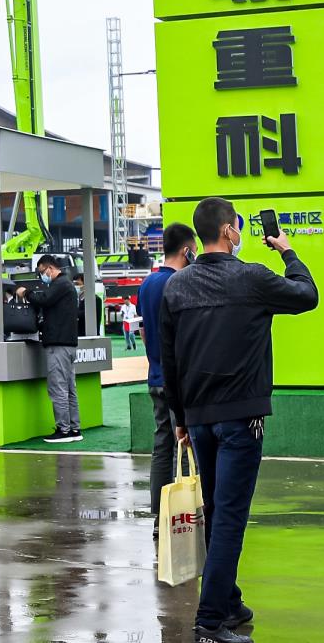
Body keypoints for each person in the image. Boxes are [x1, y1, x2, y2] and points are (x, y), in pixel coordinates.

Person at [161, 197, 317, 643]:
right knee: (229, 515)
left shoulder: (177, 286)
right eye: (238, 227)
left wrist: (179, 417)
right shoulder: (252, 276)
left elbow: (169, 359)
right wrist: (287, 251)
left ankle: (227, 601)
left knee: (216, 510)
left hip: (199, 417)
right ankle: (210, 621)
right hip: (241, 416)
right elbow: (307, 295)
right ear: (229, 231)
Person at [142, 222, 195, 539]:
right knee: (185, 445)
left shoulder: (148, 283)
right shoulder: (180, 283)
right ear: (187, 250)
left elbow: (145, 331)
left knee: (162, 447)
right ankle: (185, 516)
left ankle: (160, 518)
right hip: (179, 380)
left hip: (155, 375)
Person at [15, 255, 82, 443]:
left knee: (58, 387)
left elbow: (44, 299)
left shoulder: (60, 284)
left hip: (58, 344)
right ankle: (74, 428)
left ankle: (63, 430)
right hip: (68, 343)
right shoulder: (67, 285)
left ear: (50, 268)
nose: (41, 276)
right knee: (69, 388)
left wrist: (25, 293)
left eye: (42, 272)